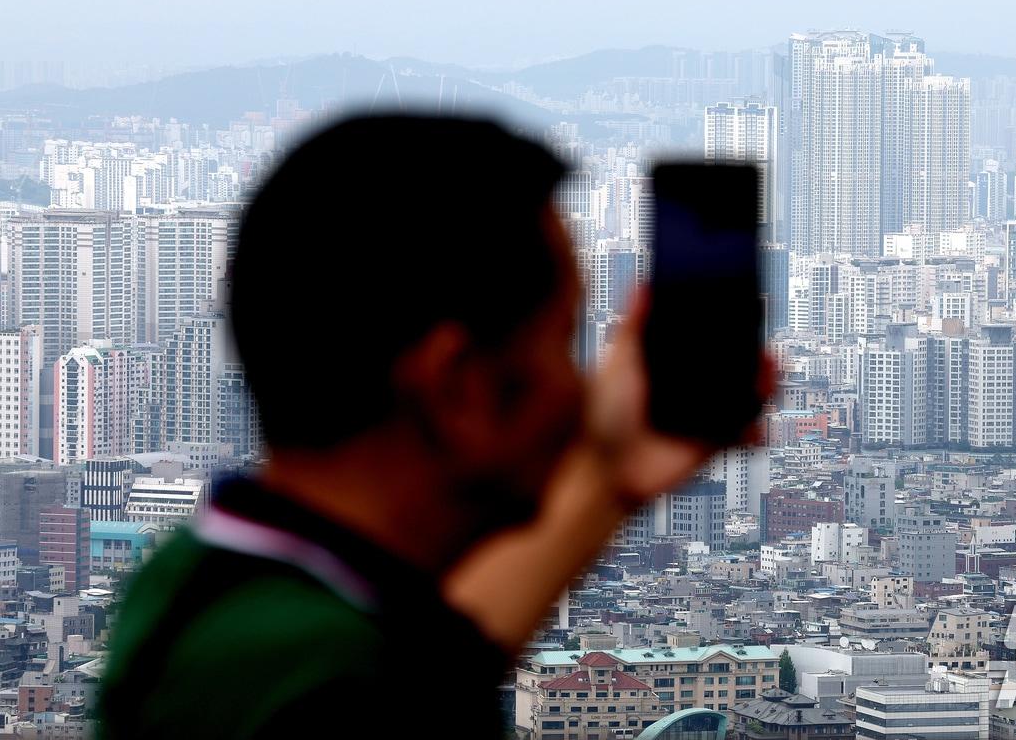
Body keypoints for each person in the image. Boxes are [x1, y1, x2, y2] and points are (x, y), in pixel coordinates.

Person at [97, 116, 770, 738]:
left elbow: (438, 654)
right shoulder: (336, 697)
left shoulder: (202, 584)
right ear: (456, 382)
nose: (581, 386)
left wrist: (610, 474)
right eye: (566, 342)